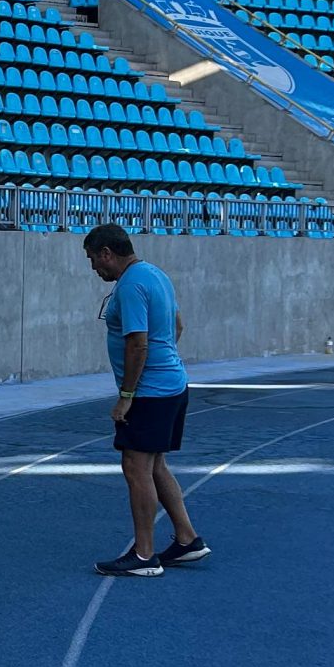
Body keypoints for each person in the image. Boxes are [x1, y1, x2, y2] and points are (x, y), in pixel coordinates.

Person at [82, 222, 208, 578]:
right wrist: (163, 364)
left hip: (150, 393)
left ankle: (144, 555)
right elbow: (178, 325)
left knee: (136, 468)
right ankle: (187, 539)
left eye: (93, 259)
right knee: (155, 466)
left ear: (107, 253)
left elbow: (137, 343)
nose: (94, 268)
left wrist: (126, 396)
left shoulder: (131, 286)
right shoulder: (155, 274)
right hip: (171, 384)